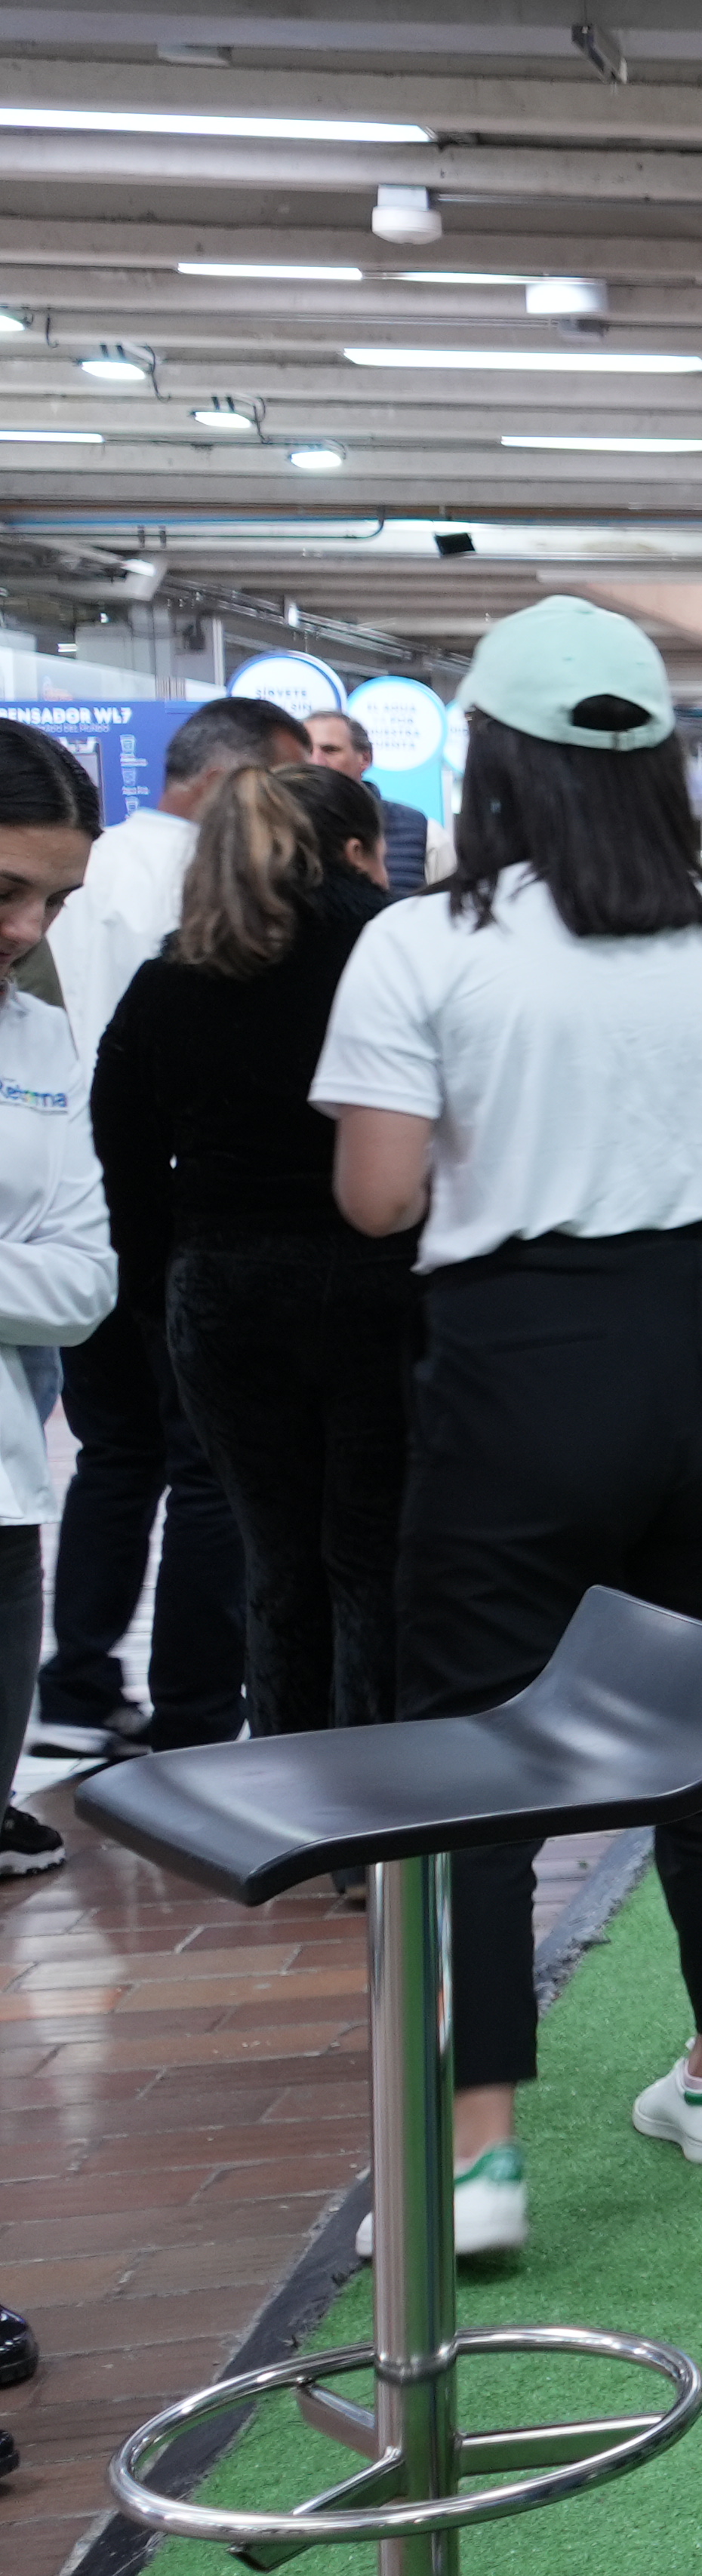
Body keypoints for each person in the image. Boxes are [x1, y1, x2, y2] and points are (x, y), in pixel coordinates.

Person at [313, 603, 702, 2266]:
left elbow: (381, 1192)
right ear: (663, 759)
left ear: (488, 760)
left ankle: (481, 2154)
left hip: (519, 1358)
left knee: (479, 1750)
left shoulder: (423, 941)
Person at [91, 762, 409, 1754]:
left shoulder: (168, 977)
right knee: (371, 1550)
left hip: (223, 1289)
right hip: (374, 1279)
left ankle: (290, 1783)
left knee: (275, 1553)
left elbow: (124, 1147)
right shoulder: (376, 947)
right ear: (336, 845)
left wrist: (157, 1292)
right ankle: (381, 1810)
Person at [29, 696, 297, 1760]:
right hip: (174, 1216)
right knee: (207, 1471)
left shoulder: (83, 873)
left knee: (113, 1457)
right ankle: (193, 1712)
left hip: (68, 1209)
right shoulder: (201, 883)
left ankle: (81, 1679)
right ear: (229, 778)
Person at [0, 720, 124, 1884]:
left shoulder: (43, 1041)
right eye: (3, 891)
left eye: (54, 903)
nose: (27, 931)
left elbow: (84, 1283)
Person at [303, 709, 429, 891]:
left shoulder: (420, 830)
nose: (316, 761)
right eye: (307, 751)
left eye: (330, 750)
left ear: (365, 759)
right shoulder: (280, 828)